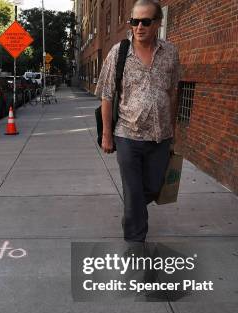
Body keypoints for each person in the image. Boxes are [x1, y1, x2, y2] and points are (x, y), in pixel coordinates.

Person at [95, 0, 179, 243]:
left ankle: (133, 210)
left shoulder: (171, 53)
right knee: (133, 195)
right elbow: (107, 94)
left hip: (160, 137)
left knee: (153, 188)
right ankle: (135, 244)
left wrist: (173, 132)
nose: (139, 27)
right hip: (127, 135)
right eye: (134, 21)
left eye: (145, 21)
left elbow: (173, 93)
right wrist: (107, 135)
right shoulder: (119, 52)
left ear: (157, 23)